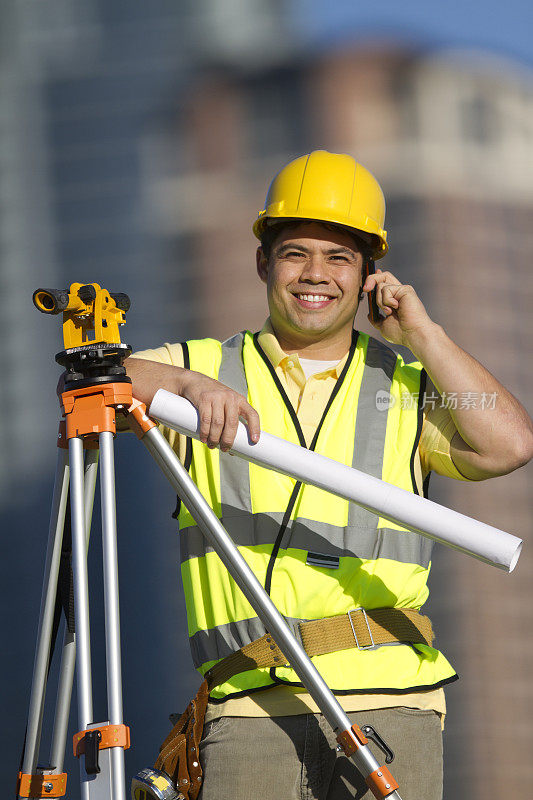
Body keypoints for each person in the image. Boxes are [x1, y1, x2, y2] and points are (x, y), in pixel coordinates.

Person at [126, 151, 533, 800]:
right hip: (247, 703)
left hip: (391, 700)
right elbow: (95, 381)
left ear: (369, 275)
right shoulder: (198, 370)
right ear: (263, 262)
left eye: (339, 257)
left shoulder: (404, 386)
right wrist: (181, 385)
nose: (315, 274)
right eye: (295, 253)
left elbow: (508, 443)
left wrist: (422, 335)